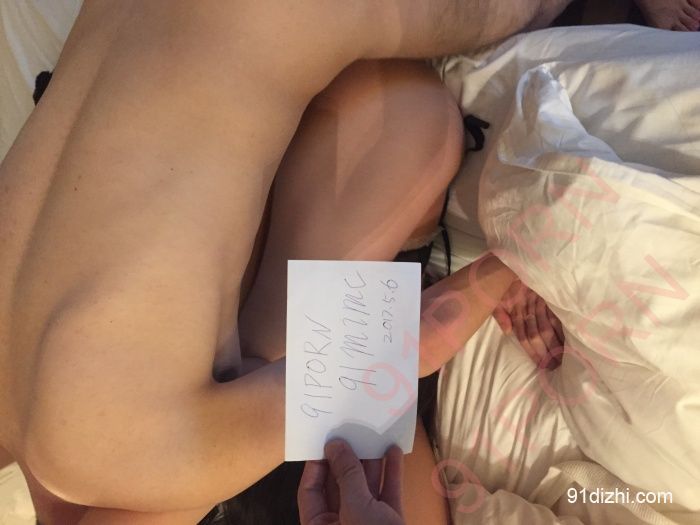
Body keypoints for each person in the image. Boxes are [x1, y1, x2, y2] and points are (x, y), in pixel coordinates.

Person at [0, 0, 575, 523]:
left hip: (288, 31)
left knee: (508, 25)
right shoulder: (23, 430)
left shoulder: (154, 457)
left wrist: (510, 265)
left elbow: (409, 348)